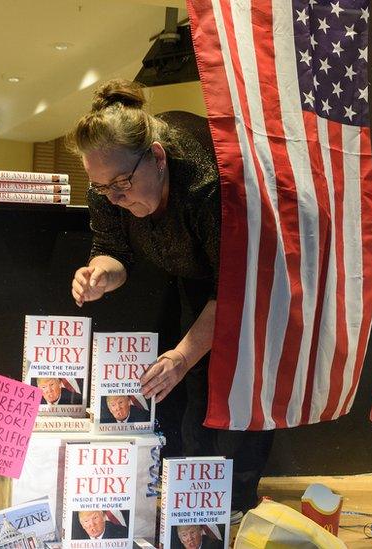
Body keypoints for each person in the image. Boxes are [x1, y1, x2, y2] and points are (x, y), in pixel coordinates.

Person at [67, 79, 273, 516]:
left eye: (122, 183)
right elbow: (115, 252)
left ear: (157, 158)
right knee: (196, 381)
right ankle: (195, 502)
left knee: (240, 379)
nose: (115, 198)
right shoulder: (106, 184)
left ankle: (238, 504)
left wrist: (180, 356)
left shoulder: (207, 185)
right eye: (103, 188)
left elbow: (232, 292)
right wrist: (100, 272)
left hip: (255, 272)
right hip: (195, 272)